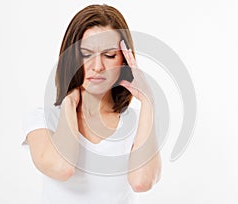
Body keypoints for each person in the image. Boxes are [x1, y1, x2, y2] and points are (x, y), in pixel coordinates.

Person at [22, 4, 161, 204]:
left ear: (124, 59)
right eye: (86, 54)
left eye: (109, 55)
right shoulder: (43, 119)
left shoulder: (134, 124)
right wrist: (69, 103)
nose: (97, 67)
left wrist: (149, 102)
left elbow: (142, 182)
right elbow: (62, 167)